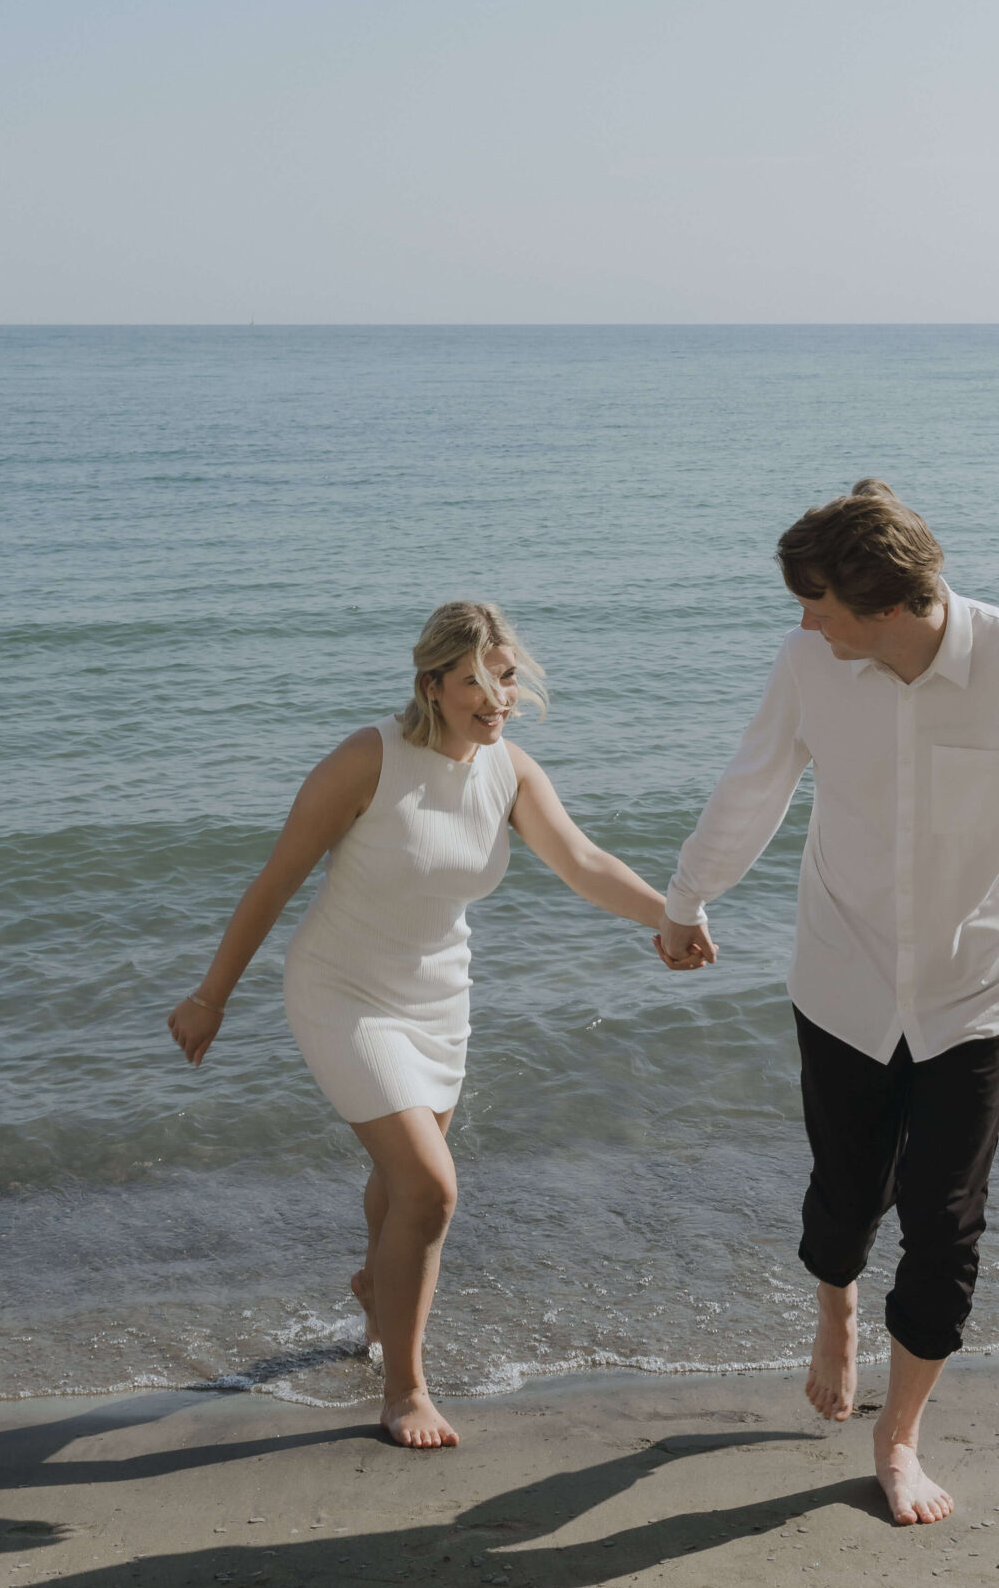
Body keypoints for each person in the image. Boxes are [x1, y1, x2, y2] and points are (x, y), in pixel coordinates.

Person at [656, 481, 999, 1525]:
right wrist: (685, 896)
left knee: (943, 1221)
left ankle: (898, 1437)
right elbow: (751, 785)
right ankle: (833, 1301)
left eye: (819, 602)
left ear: (885, 606)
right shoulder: (810, 664)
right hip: (838, 980)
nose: (803, 620)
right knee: (845, 1203)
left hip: (972, 994)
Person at [167, 599, 693, 1450]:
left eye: (508, 678)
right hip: (342, 991)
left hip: (439, 998)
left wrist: (667, 918)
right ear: (433, 686)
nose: (498, 698)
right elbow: (275, 881)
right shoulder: (366, 760)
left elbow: (584, 861)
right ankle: (405, 1389)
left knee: (403, 1178)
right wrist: (211, 997)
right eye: (478, 682)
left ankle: (378, 1289)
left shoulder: (510, 771)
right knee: (431, 1186)